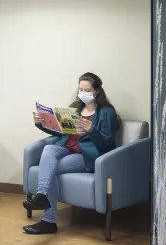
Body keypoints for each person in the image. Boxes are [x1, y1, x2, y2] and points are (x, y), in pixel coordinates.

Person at [24, 72, 118, 235]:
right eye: (80, 89)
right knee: (48, 149)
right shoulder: (75, 108)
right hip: (67, 147)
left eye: (86, 90)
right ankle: (41, 195)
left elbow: (107, 143)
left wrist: (92, 131)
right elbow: (61, 133)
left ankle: (48, 220)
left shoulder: (107, 112)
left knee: (51, 168)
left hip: (86, 155)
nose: (82, 93)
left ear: (96, 91)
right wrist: (41, 124)